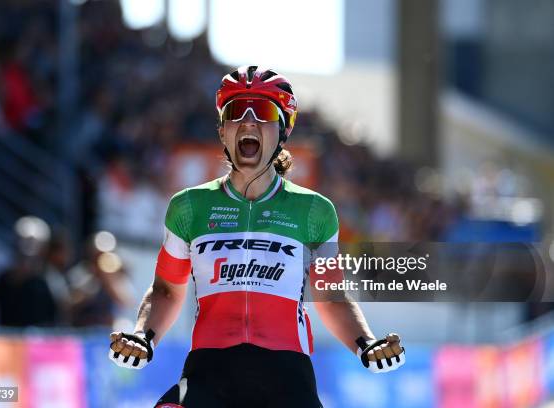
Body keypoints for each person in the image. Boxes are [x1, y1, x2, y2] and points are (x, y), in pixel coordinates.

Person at [109, 66, 405, 407]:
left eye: (262, 112)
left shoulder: (315, 211)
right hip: (211, 371)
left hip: (287, 377)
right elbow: (165, 290)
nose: (248, 121)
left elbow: (332, 298)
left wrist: (365, 344)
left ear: (284, 129)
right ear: (222, 130)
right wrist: (142, 337)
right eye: (236, 112)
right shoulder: (189, 206)